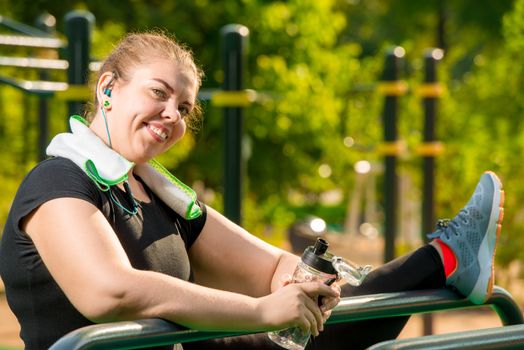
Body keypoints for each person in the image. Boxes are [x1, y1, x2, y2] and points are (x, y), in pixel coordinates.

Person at [0, 31, 504, 350]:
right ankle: (446, 260)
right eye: (158, 93)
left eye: (184, 105)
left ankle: (447, 259)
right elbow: (110, 291)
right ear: (108, 88)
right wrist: (262, 311)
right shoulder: (58, 183)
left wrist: (302, 283)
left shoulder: (160, 193)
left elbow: (270, 268)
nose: (172, 114)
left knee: (326, 325)